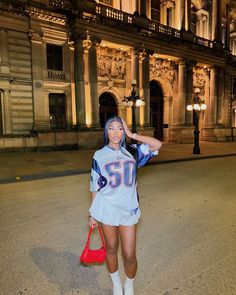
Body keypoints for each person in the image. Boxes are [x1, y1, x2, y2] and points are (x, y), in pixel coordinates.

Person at [88, 116, 162, 295]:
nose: (116, 132)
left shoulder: (133, 151)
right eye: (111, 128)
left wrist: (133, 135)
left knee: (129, 254)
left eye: (120, 128)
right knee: (112, 247)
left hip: (129, 208)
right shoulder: (99, 155)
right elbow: (95, 185)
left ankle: (129, 283)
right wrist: (92, 213)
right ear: (106, 131)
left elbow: (157, 145)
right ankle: (116, 284)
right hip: (106, 207)